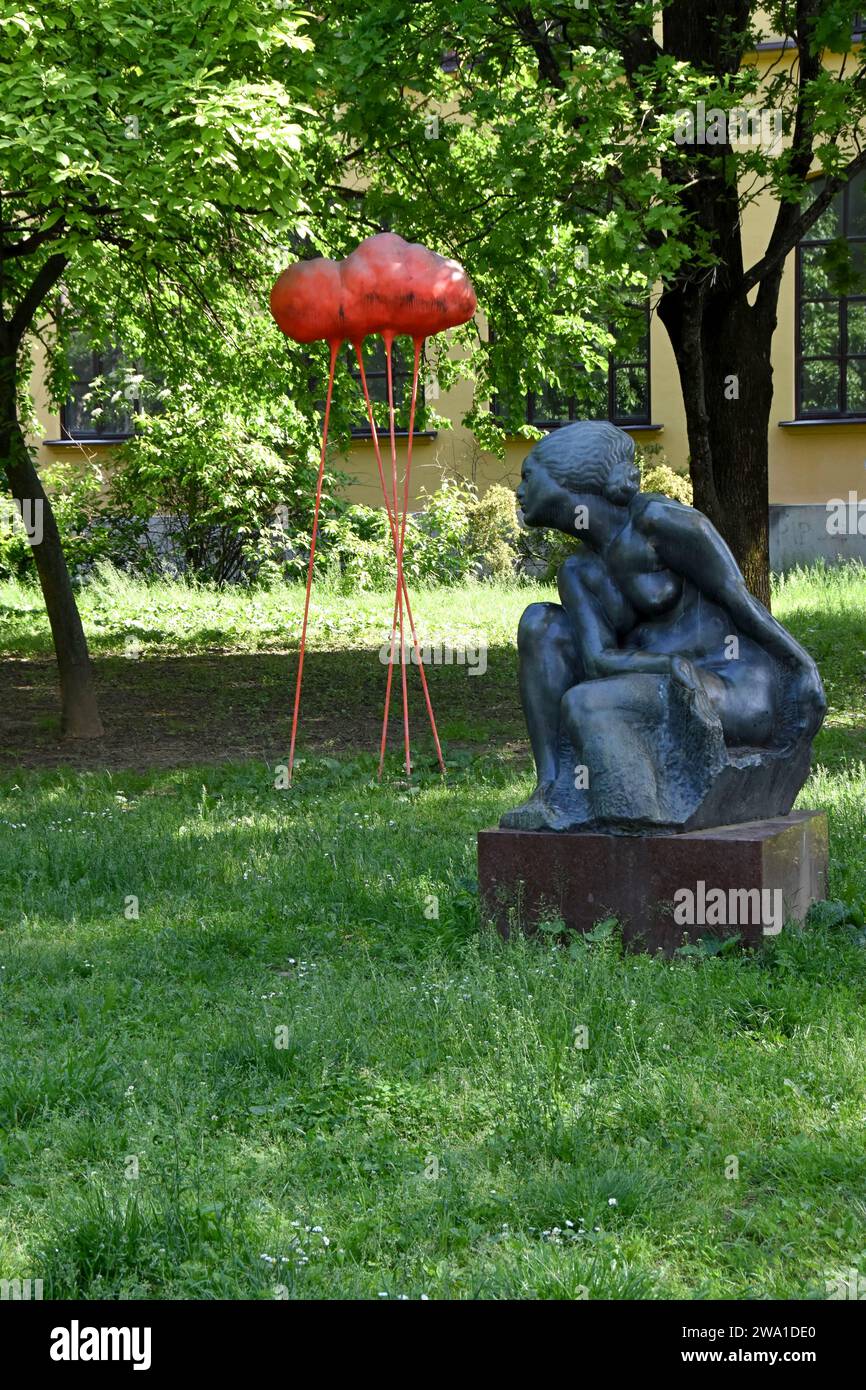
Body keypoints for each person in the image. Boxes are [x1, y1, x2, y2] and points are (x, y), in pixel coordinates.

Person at [504, 420, 826, 831]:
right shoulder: (579, 571)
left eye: (529, 477)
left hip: (730, 685)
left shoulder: (662, 522)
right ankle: (551, 790)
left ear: (570, 476)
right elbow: (599, 660)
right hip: (663, 680)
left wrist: (801, 668)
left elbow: (740, 601)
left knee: (589, 704)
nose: (519, 491)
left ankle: (634, 823)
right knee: (540, 624)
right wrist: (665, 666)